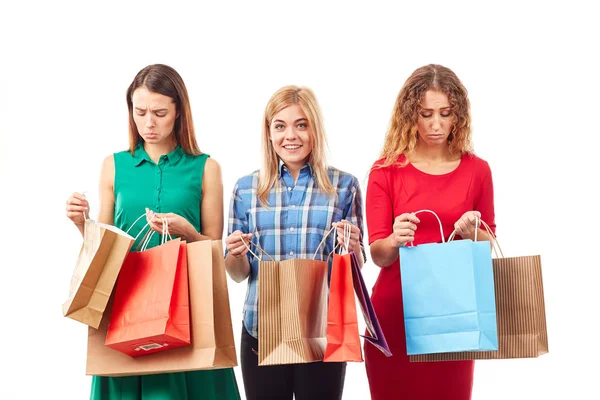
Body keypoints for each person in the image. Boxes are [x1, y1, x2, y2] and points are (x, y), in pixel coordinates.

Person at [65, 64, 241, 399]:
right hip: (126, 306)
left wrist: (187, 231)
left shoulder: (205, 167)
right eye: (140, 112)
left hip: (188, 310)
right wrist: (81, 223)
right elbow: (104, 245)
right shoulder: (113, 165)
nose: (148, 123)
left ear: (179, 112)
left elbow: (216, 251)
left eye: (160, 113)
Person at [224, 85, 365, 400]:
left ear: (315, 129)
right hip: (261, 327)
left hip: (322, 329)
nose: (291, 135)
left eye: (301, 124)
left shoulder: (344, 186)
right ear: (269, 133)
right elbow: (236, 273)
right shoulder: (246, 189)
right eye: (280, 126)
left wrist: (353, 245)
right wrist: (235, 253)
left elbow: (355, 269)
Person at [364, 64, 496, 400]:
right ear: (410, 115)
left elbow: (489, 245)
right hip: (394, 315)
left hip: (454, 317)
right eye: (425, 114)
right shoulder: (385, 172)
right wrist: (394, 239)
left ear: (458, 116)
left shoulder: (477, 170)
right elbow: (378, 254)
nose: (436, 125)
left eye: (445, 113)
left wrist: (472, 232)